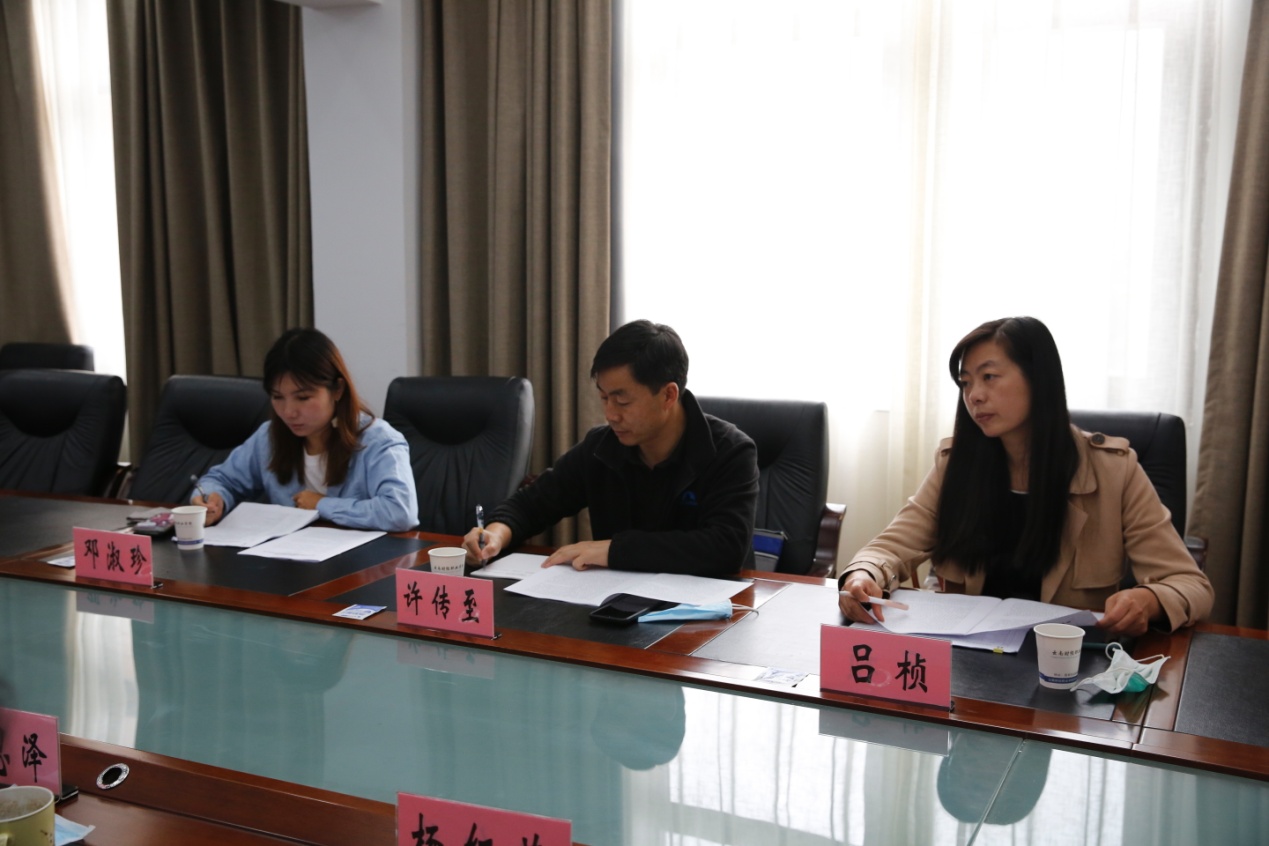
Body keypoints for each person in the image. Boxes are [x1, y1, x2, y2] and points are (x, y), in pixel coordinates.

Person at [838, 316, 1212, 637]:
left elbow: (1190, 584)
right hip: (966, 658)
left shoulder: (1115, 470)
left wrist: (1148, 600)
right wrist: (862, 576)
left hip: (1066, 661)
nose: (974, 396)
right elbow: (888, 549)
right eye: (966, 383)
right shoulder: (956, 465)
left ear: (1038, 380)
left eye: (989, 377)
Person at [461, 319, 759, 577]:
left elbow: (726, 547)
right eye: (604, 398)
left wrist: (615, 550)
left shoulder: (730, 452)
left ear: (669, 395)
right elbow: (533, 503)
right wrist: (496, 533)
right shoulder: (602, 446)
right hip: (616, 606)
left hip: (708, 611)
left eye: (623, 401)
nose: (611, 414)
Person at [192, 328, 418, 533]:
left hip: (363, 562)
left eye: (303, 398)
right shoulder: (269, 437)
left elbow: (400, 511)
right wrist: (214, 499)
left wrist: (321, 504)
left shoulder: (377, 440)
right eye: (277, 397)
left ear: (337, 390)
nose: (288, 412)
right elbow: (222, 479)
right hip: (290, 559)